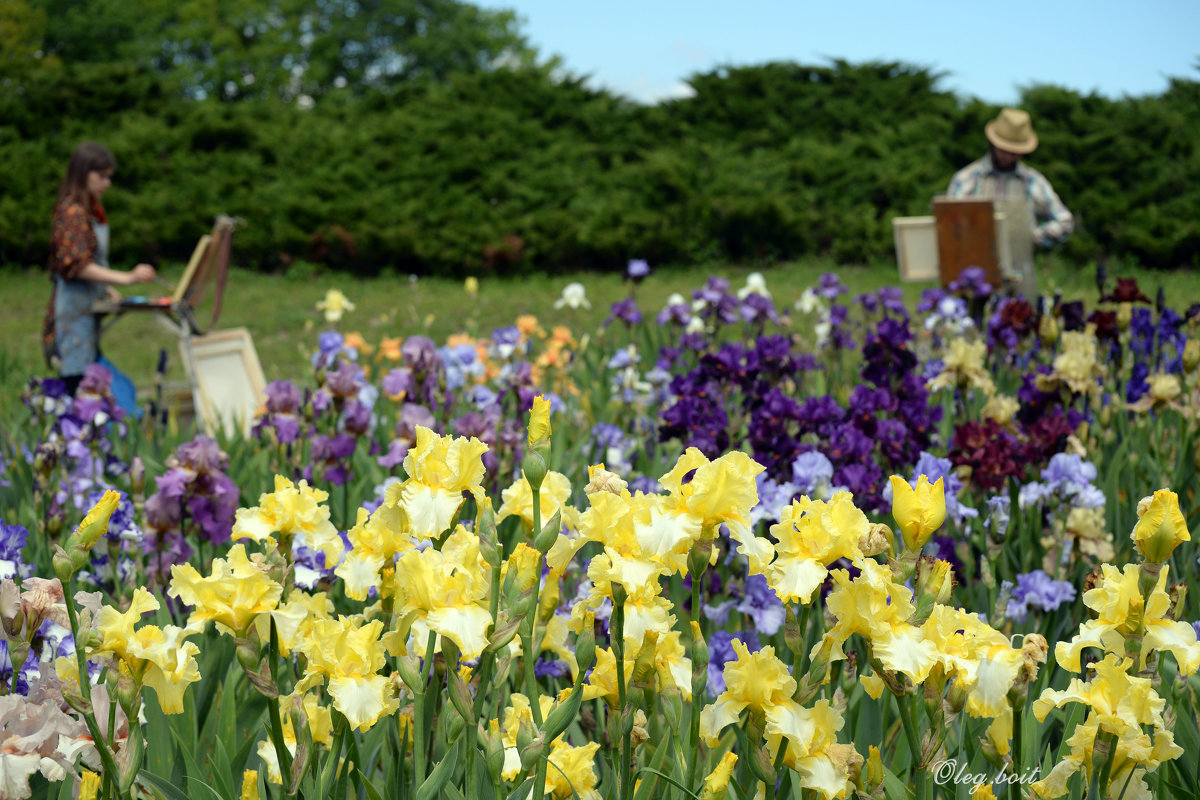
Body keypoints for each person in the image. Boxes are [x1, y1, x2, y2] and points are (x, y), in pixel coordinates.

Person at [43, 142, 156, 395]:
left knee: (94, 383)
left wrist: (105, 288)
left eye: (109, 177)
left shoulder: (89, 212)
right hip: (72, 319)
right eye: (102, 176)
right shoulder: (72, 212)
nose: (107, 183)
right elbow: (76, 265)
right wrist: (127, 278)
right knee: (78, 388)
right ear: (83, 173)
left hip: (85, 313)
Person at [947, 108, 1074, 297]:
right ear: (993, 143)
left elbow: (1065, 221)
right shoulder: (967, 179)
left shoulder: (1032, 182)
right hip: (973, 281)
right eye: (1004, 149)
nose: (1009, 156)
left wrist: (1034, 236)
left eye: (1016, 151)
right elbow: (948, 227)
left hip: (1020, 281)